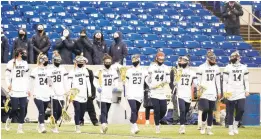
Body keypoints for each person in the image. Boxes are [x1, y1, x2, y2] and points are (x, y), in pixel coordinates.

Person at [223, 51, 249, 136]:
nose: (232, 58)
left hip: (240, 91)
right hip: (230, 91)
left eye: (234, 57)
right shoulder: (227, 67)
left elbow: (246, 80)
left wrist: (247, 90)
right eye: (231, 57)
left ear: (238, 57)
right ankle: (230, 128)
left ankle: (235, 124)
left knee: (241, 109)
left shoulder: (244, 67)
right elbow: (225, 81)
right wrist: (224, 91)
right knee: (230, 111)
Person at [5, 48, 30, 133]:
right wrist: (8, 84)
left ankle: (20, 127)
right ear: (19, 53)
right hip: (14, 89)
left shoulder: (25, 63)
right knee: (15, 108)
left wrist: (28, 89)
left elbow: (27, 77)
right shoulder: (11, 63)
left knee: (23, 108)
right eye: (23, 53)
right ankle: (9, 119)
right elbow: (7, 76)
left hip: (23, 89)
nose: (24, 54)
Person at [197, 51, 221, 135]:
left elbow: (218, 81)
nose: (213, 60)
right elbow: (198, 81)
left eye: (214, 59)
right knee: (206, 109)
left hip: (213, 91)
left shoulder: (217, 68)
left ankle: (209, 129)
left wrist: (219, 91)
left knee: (211, 111)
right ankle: (203, 125)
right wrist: (198, 90)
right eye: (212, 59)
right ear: (207, 59)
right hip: (204, 92)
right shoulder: (201, 67)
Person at [145, 51, 170, 133]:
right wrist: (151, 85)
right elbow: (146, 79)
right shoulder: (151, 67)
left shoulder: (166, 67)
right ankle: (157, 126)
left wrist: (165, 82)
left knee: (163, 110)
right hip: (154, 92)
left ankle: (157, 120)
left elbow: (168, 80)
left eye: (162, 59)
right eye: (159, 59)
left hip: (162, 92)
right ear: (156, 58)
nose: (161, 61)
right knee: (157, 109)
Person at [93, 54, 119, 134]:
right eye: (106, 62)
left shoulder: (113, 71)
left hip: (110, 94)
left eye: (109, 62)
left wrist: (116, 87)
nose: (108, 63)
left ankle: (103, 127)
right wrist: (97, 87)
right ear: (103, 62)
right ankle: (104, 123)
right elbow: (95, 81)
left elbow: (116, 81)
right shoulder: (99, 71)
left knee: (106, 111)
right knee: (103, 110)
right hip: (102, 94)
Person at [68, 55, 92, 133]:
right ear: (76, 63)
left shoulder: (85, 71)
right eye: (79, 62)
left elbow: (88, 82)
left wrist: (90, 92)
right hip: (75, 94)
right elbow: (69, 84)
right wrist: (69, 94)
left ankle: (80, 121)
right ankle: (77, 126)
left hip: (84, 94)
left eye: (82, 62)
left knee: (82, 112)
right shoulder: (72, 72)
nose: (81, 63)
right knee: (77, 110)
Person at [175, 56, 198, 134]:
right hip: (180, 94)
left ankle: (182, 124)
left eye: (184, 61)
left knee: (186, 111)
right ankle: (182, 127)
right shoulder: (178, 71)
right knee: (182, 110)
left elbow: (195, 82)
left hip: (188, 94)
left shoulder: (192, 72)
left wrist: (198, 88)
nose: (182, 62)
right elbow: (174, 82)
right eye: (181, 61)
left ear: (187, 62)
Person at [125, 55, 147, 134]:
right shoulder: (129, 71)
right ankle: (135, 125)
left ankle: (132, 125)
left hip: (139, 93)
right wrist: (126, 93)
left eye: (136, 59)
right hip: (131, 93)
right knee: (133, 109)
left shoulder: (143, 71)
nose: (134, 61)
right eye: (133, 59)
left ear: (139, 60)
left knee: (136, 111)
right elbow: (126, 83)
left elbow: (147, 81)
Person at [48, 51, 69, 133]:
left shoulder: (62, 69)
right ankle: (54, 126)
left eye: (58, 60)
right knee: (55, 110)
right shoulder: (49, 69)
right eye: (56, 60)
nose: (57, 62)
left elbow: (65, 81)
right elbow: (48, 81)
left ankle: (54, 123)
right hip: (53, 93)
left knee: (60, 111)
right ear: (53, 60)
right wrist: (50, 87)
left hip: (61, 92)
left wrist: (67, 90)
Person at [30, 53, 51, 133]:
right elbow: (31, 82)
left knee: (43, 111)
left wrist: (51, 85)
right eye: (45, 60)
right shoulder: (35, 70)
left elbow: (49, 82)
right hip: (38, 94)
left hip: (46, 94)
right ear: (41, 60)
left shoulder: (48, 71)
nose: (46, 61)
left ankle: (39, 125)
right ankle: (42, 127)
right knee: (41, 110)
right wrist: (29, 91)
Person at [79, 58, 99, 126]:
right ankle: (80, 121)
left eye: (83, 62)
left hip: (88, 92)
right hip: (79, 93)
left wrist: (93, 93)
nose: (82, 63)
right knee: (80, 108)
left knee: (91, 108)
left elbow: (92, 83)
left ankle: (95, 121)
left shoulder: (89, 71)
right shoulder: (75, 71)